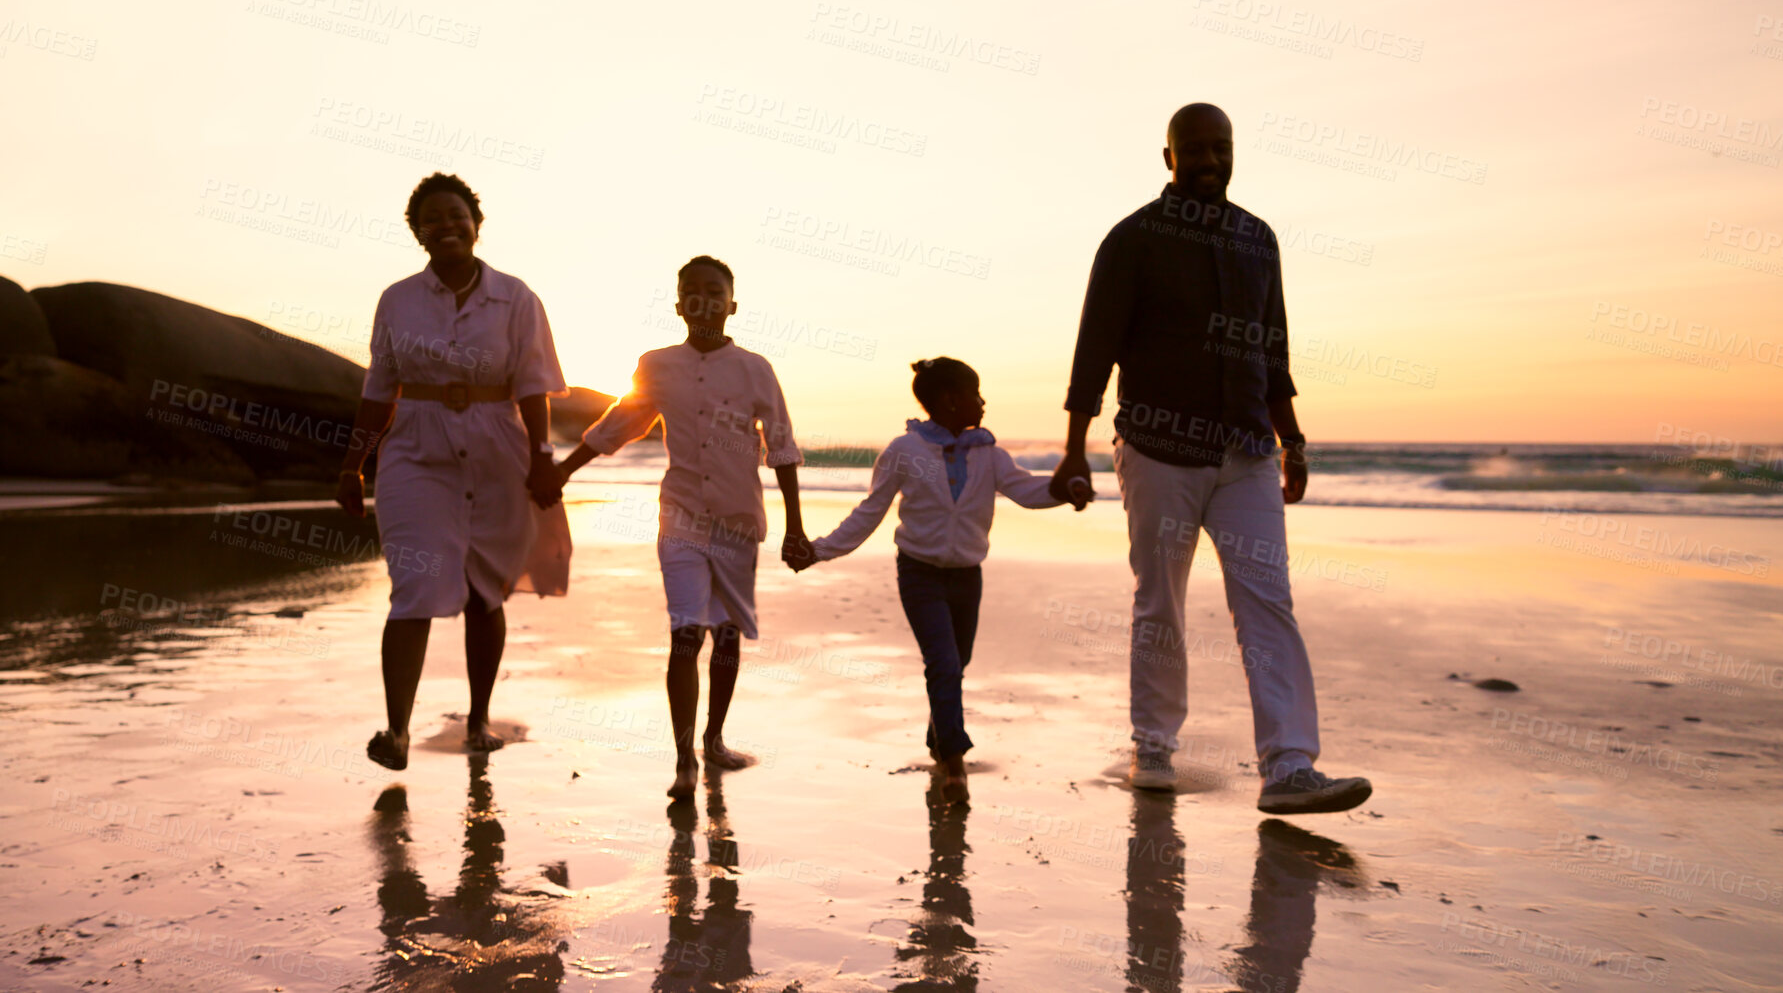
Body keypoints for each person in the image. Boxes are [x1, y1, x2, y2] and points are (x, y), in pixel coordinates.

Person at [1049, 103, 1372, 814]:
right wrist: (1073, 449)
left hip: (1247, 450)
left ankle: (1288, 764)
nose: (1207, 159)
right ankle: (1153, 745)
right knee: (1159, 599)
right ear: (1167, 157)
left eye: (1218, 148)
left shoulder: (1258, 239)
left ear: (1233, 153)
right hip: (1159, 450)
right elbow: (1092, 349)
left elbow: (1274, 350)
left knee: (1267, 602)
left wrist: (1292, 438)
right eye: (1191, 148)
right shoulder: (1131, 240)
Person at [549, 255, 809, 799]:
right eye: (691, 291)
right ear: (677, 306)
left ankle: (714, 740)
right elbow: (619, 425)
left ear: (732, 305)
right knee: (686, 631)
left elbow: (782, 445)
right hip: (681, 517)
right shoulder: (656, 364)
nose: (703, 300)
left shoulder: (756, 368)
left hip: (739, 519)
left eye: (714, 292)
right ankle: (683, 760)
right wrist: (562, 473)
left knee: (729, 634)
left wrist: (795, 528)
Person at [336, 172, 571, 772]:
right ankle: (395, 732)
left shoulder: (516, 298)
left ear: (477, 223)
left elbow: (535, 385)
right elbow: (378, 388)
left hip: (498, 450)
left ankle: (478, 719)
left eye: (456, 215)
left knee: (485, 590)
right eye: (431, 219)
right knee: (413, 587)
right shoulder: (398, 300)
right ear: (417, 233)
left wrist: (543, 458)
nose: (446, 226)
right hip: (416, 449)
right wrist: (352, 465)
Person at [789, 358, 1086, 799]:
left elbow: (1027, 491)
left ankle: (938, 737)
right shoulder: (903, 451)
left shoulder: (989, 454)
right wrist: (819, 550)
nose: (983, 403)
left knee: (956, 664)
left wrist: (1067, 489)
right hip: (919, 573)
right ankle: (954, 766)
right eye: (976, 394)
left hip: (968, 576)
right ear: (950, 401)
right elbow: (871, 512)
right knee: (943, 664)